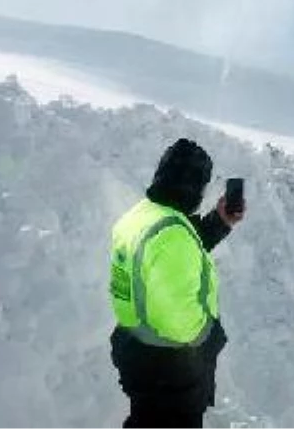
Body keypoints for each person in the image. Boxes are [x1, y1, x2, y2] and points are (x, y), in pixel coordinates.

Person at [108, 138, 246, 428]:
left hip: (140, 351)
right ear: (197, 186)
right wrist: (211, 335)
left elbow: (172, 251)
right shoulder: (171, 235)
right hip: (169, 370)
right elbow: (180, 324)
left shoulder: (144, 216)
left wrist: (219, 222)